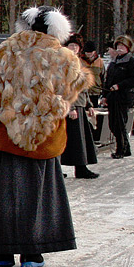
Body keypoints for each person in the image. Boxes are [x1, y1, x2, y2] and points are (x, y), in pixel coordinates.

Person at [0, 6, 91, 267]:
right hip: (45, 137)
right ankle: (33, 252)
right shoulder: (64, 57)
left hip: (8, 134)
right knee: (40, 194)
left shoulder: (4, 52)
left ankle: (0, 252)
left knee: (6, 194)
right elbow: (72, 93)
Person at [60, 33, 99, 178]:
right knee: (65, 140)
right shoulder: (64, 62)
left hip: (80, 104)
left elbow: (83, 86)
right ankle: (58, 169)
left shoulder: (80, 63)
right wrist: (71, 107)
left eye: (76, 46)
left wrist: (89, 105)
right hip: (71, 106)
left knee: (80, 140)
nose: (73, 48)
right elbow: (65, 87)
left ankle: (81, 167)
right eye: (71, 45)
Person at [100, 34, 134, 158]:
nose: (120, 48)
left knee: (120, 123)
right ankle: (125, 148)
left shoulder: (131, 62)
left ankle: (121, 149)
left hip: (123, 97)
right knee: (113, 124)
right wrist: (105, 96)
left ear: (128, 48)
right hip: (112, 97)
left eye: (122, 46)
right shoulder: (114, 62)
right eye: (118, 46)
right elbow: (108, 80)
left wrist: (119, 86)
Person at [81, 41, 105, 108]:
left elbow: (103, 77)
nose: (89, 54)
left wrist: (103, 93)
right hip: (84, 92)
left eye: (91, 52)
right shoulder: (80, 61)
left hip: (96, 92)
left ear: (94, 52)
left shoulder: (100, 61)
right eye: (87, 52)